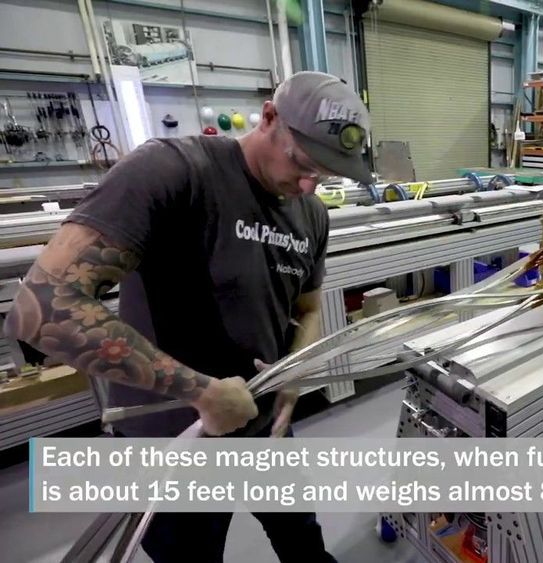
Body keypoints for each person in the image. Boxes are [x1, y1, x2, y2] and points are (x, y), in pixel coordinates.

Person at [3, 71, 374, 562]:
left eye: (324, 173)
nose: (309, 183)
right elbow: (42, 308)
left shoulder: (311, 213)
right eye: (302, 162)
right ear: (269, 117)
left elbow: (307, 305)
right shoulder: (174, 171)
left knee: (302, 541)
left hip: (263, 423)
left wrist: (294, 371)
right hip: (171, 440)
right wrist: (201, 392)